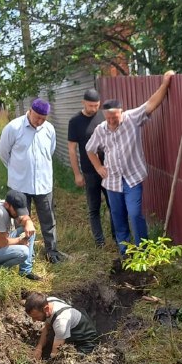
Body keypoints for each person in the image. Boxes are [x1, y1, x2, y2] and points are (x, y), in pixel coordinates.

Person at [85, 71, 176, 255]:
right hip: (112, 181)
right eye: (108, 118)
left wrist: (165, 83)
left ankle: (143, 250)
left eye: (115, 118)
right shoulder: (101, 129)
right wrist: (98, 167)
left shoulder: (132, 118)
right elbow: (90, 149)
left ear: (121, 112)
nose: (111, 122)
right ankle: (126, 253)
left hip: (132, 178)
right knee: (118, 217)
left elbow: (151, 103)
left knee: (134, 214)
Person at [0, 98, 67, 264]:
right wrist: (16, 170)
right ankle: (25, 255)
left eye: (44, 118)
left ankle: (52, 251)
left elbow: (50, 151)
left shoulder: (49, 129)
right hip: (20, 185)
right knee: (21, 221)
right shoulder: (14, 127)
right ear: (30, 111)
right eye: (37, 117)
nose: (40, 121)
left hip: (43, 184)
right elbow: (2, 152)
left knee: (48, 219)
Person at [68, 88, 116, 248]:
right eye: (90, 106)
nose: (93, 109)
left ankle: (117, 239)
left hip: (107, 170)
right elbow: (72, 149)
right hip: (89, 172)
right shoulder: (74, 122)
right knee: (94, 207)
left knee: (113, 205)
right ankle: (100, 241)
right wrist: (77, 174)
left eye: (96, 105)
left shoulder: (103, 118)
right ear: (83, 103)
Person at [0, 190, 41, 280]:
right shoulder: (0, 214)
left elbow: (23, 218)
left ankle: (25, 271)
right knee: (23, 251)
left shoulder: (6, 204)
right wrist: (20, 241)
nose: (18, 214)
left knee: (30, 231)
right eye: (16, 211)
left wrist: (29, 222)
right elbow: (1, 243)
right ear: (7, 205)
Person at [25, 291, 99, 358]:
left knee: (75, 359)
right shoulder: (47, 302)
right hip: (72, 326)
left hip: (87, 341)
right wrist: (39, 348)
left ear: (46, 309)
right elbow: (47, 328)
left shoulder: (60, 321)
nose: (34, 320)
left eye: (36, 317)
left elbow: (54, 355)